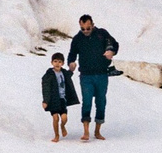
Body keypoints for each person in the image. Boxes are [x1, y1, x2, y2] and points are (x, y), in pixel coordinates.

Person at [67, 15, 121, 143]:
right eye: (83, 29)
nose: (85, 31)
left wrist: (111, 52)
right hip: (86, 75)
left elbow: (115, 45)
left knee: (101, 102)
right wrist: (71, 63)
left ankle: (97, 131)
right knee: (87, 102)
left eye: (88, 28)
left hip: (102, 74)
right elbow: (71, 54)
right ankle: (86, 131)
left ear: (93, 25)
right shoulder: (77, 39)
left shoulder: (102, 34)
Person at [42, 54, 77, 143]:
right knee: (55, 118)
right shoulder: (48, 75)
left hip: (62, 99)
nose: (57, 64)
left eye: (60, 62)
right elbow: (45, 88)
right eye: (55, 61)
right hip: (53, 99)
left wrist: (72, 70)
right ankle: (56, 135)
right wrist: (45, 101)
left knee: (64, 117)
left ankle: (62, 126)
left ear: (63, 63)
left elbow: (68, 75)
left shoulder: (64, 72)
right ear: (52, 62)